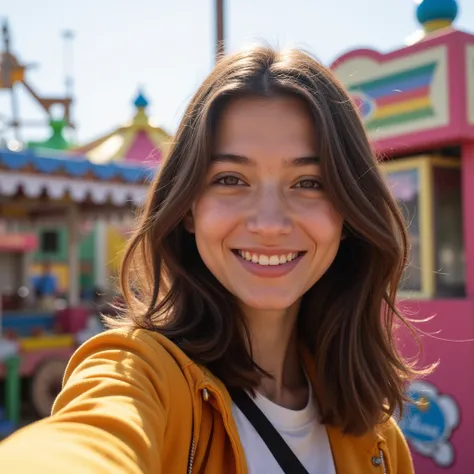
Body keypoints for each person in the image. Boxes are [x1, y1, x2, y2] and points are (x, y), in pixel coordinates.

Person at [0, 46, 426, 473]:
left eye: (309, 182)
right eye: (231, 179)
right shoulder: (139, 374)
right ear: (187, 208)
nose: (270, 223)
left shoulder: (378, 436)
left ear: (348, 213)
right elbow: (82, 444)